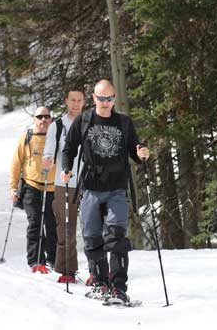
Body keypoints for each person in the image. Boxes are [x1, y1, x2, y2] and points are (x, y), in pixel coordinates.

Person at [61, 79, 149, 303]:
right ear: (94, 98)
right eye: (101, 98)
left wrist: (141, 155)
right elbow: (69, 147)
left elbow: (135, 152)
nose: (105, 102)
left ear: (114, 99)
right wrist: (66, 168)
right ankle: (100, 283)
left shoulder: (124, 122)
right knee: (92, 238)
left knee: (117, 237)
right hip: (90, 187)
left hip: (117, 188)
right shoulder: (84, 120)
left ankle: (118, 288)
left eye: (109, 98)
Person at [42, 90, 85, 283]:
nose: (76, 104)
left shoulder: (90, 122)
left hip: (89, 182)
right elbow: (49, 151)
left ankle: (97, 271)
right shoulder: (57, 126)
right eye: (72, 100)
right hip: (64, 184)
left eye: (79, 100)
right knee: (66, 228)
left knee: (93, 228)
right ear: (66, 101)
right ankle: (67, 270)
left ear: (84, 102)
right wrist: (48, 160)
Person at [10, 106, 57, 274]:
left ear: (51, 119)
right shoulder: (26, 137)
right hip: (32, 186)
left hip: (52, 188)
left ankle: (54, 259)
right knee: (35, 222)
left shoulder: (56, 137)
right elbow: (16, 164)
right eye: (39, 117)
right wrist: (13, 188)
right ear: (34, 119)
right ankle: (36, 261)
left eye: (46, 116)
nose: (43, 120)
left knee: (52, 225)